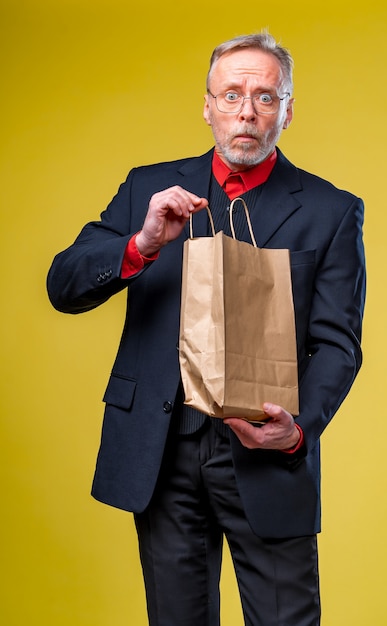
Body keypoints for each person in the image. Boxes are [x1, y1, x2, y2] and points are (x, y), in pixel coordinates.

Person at [47, 32, 366, 626]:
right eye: (232, 94)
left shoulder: (331, 210)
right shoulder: (148, 189)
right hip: (160, 452)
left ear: (287, 111)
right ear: (208, 104)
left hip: (268, 452)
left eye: (265, 97)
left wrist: (297, 433)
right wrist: (139, 245)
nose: (246, 111)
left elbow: (338, 344)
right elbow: (62, 286)